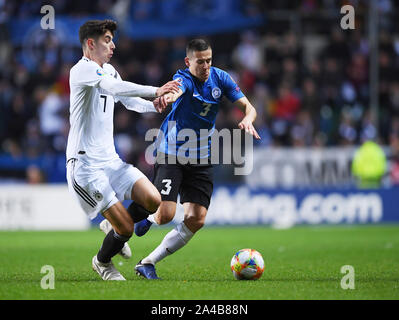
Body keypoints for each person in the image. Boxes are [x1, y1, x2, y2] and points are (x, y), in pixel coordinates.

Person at [133, 38, 260, 279]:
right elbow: (175, 92)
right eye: (200, 62)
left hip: (201, 157)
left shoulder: (220, 78)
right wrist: (167, 99)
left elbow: (249, 107)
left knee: (196, 219)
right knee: (166, 215)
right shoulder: (183, 79)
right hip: (172, 154)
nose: (205, 66)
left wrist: (248, 118)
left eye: (209, 60)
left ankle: (147, 262)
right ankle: (150, 217)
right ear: (188, 61)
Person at [66, 19, 179, 280]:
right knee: (126, 228)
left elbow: (128, 101)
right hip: (85, 166)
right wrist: (156, 90)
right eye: (107, 40)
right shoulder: (81, 71)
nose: (113, 45)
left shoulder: (110, 70)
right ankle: (103, 262)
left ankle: (114, 227)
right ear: (91, 44)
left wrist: (156, 105)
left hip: (110, 160)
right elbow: (113, 88)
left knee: (152, 199)